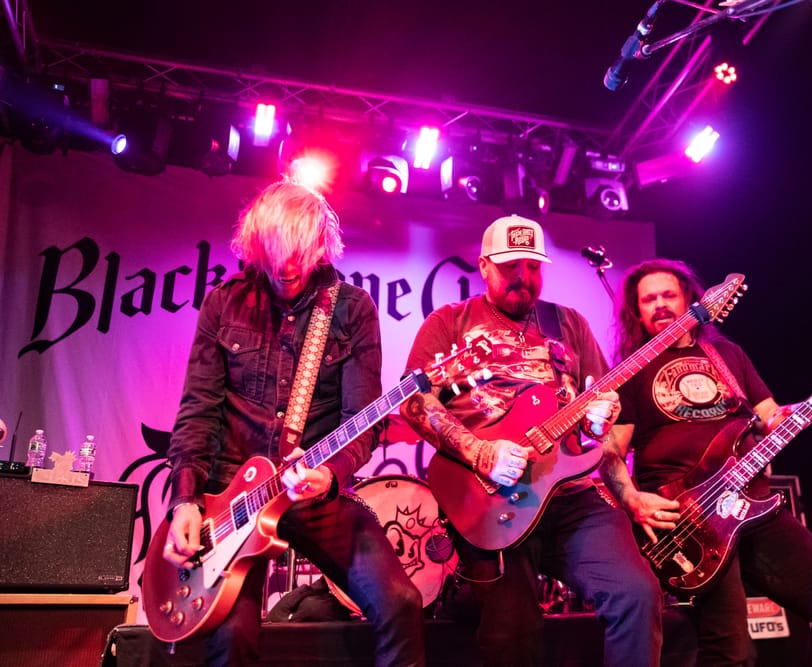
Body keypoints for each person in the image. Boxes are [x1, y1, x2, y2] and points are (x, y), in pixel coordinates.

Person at [161, 181, 425, 666]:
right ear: (256, 245)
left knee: (400, 602)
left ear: (321, 246)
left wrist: (330, 475)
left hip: (309, 489)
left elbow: (361, 423)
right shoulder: (224, 304)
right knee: (231, 640)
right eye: (276, 253)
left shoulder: (351, 310)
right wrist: (185, 502)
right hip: (230, 500)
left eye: (299, 253)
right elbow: (198, 409)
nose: (287, 267)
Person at [400, 215, 664, 667]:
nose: (523, 277)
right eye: (510, 266)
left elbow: (598, 416)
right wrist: (480, 451)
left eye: (533, 266)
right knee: (512, 634)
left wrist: (600, 424)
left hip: (571, 495)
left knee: (637, 594)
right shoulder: (450, 323)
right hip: (491, 500)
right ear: (484, 266)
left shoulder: (568, 324)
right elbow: (413, 402)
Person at [601, 258, 812, 666]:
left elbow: (772, 419)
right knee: (732, 651)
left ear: (690, 299)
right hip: (689, 519)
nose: (660, 305)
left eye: (668, 295)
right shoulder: (631, 368)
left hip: (750, 504)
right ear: (636, 311)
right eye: (649, 300)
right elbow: (610, 451)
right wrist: (632, 498)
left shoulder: (727, 354)